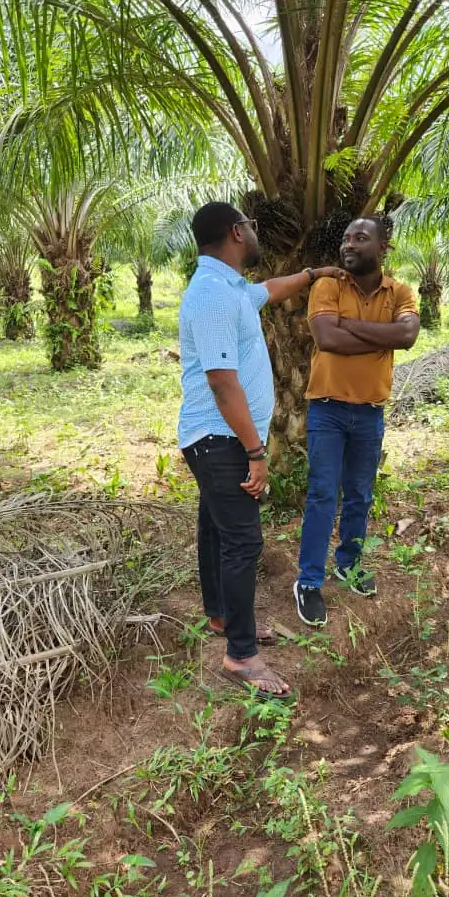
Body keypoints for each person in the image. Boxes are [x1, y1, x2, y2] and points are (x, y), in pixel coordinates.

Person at [178, 201, 345, 699]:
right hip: (220, 440)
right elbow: (222, 381)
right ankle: (241, 655)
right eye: (250, 226)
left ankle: (222, 617)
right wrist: (255, 451)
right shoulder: (211, 294)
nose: (254, 232)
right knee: (243, 541)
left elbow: (269, 290)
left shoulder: (229, 286)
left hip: (217, 439)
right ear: (236, 232)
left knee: (217, 529)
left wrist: (312, 274)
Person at [293, 216, 420, 627]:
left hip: (369, 411)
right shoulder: (328, 285)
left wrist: (348, 324)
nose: (349, 244)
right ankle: (309, 582)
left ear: (384, 247)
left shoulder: (400, 292)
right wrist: (380, 334)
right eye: (346, 238)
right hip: (327, 409)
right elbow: (327, 339)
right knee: (323, 494)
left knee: (360, 495)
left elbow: (406, 336)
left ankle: (348, 564)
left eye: (360, 238)